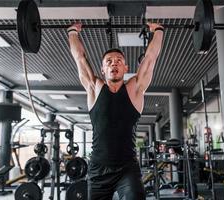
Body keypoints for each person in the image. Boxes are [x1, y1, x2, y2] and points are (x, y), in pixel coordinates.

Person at [68, 22, 164, 200]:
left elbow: (150, 59)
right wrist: (73, 32)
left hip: (127, 168)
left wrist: (158, 30)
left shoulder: (135, 89)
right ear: (103, 69)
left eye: (119, 61)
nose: (114, 64)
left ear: (126, 68)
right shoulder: (94, 87)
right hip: (98, 169)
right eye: (109, 62)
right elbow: (80, 59)